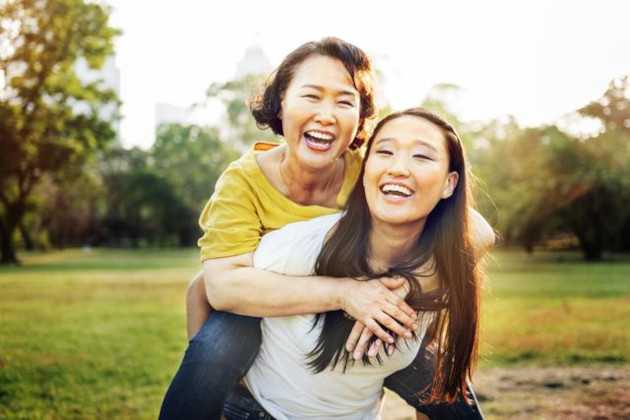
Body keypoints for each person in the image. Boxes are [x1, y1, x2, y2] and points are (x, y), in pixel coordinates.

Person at [159, 38, 492, 419]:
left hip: (354, 321)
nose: (326, 114)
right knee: (216, 348)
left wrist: (399, 290)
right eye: (312, 96)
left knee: (447, 390)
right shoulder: (243, 183)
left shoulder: (371, 172)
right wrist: (346, 293)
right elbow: (220, 287)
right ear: (281, 102)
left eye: (344, 101)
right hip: (260, 316)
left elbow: (476, 232)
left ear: (361, 118)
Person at [224, 107, 489, 419]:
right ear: (364, 171)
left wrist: (405, 286)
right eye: (385, 152)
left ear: (449, 183)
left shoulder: (441, 265)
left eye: (422, 156)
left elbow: (480, 232)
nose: (399, 168)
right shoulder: (302, 248)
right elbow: (210, 289)